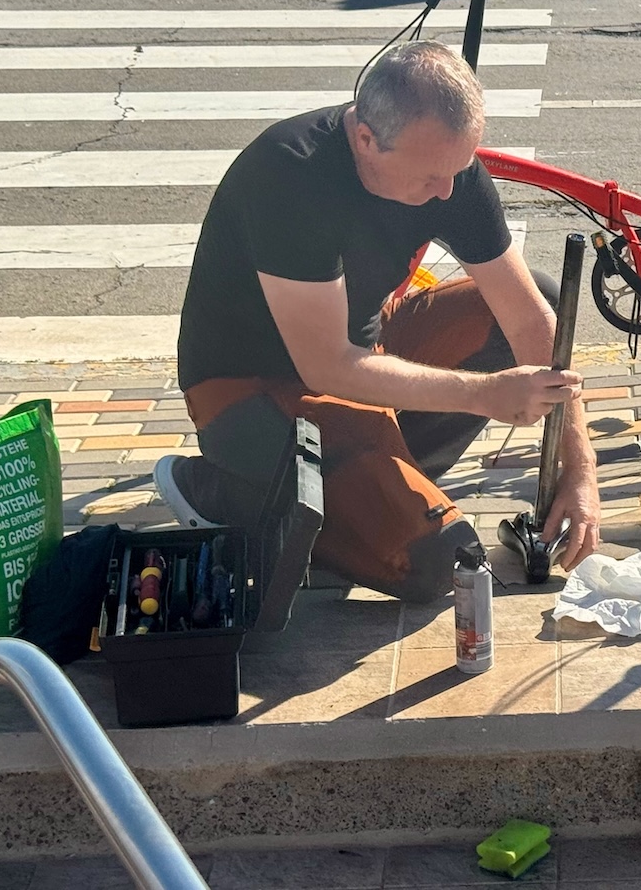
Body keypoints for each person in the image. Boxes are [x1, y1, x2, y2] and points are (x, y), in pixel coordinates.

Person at [155, 42, 599, 600]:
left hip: (360, 354)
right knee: (439, 562)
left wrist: (580, 468)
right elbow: (326, 367)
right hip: (254, 387)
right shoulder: (290, 175)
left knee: (543, 296)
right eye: (430, 176)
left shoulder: (447, 167)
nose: (447, 191)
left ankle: (383, 475)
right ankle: (226, 492)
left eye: (460, 168)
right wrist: (484, 394)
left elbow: (530, 320)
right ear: (365, 139)